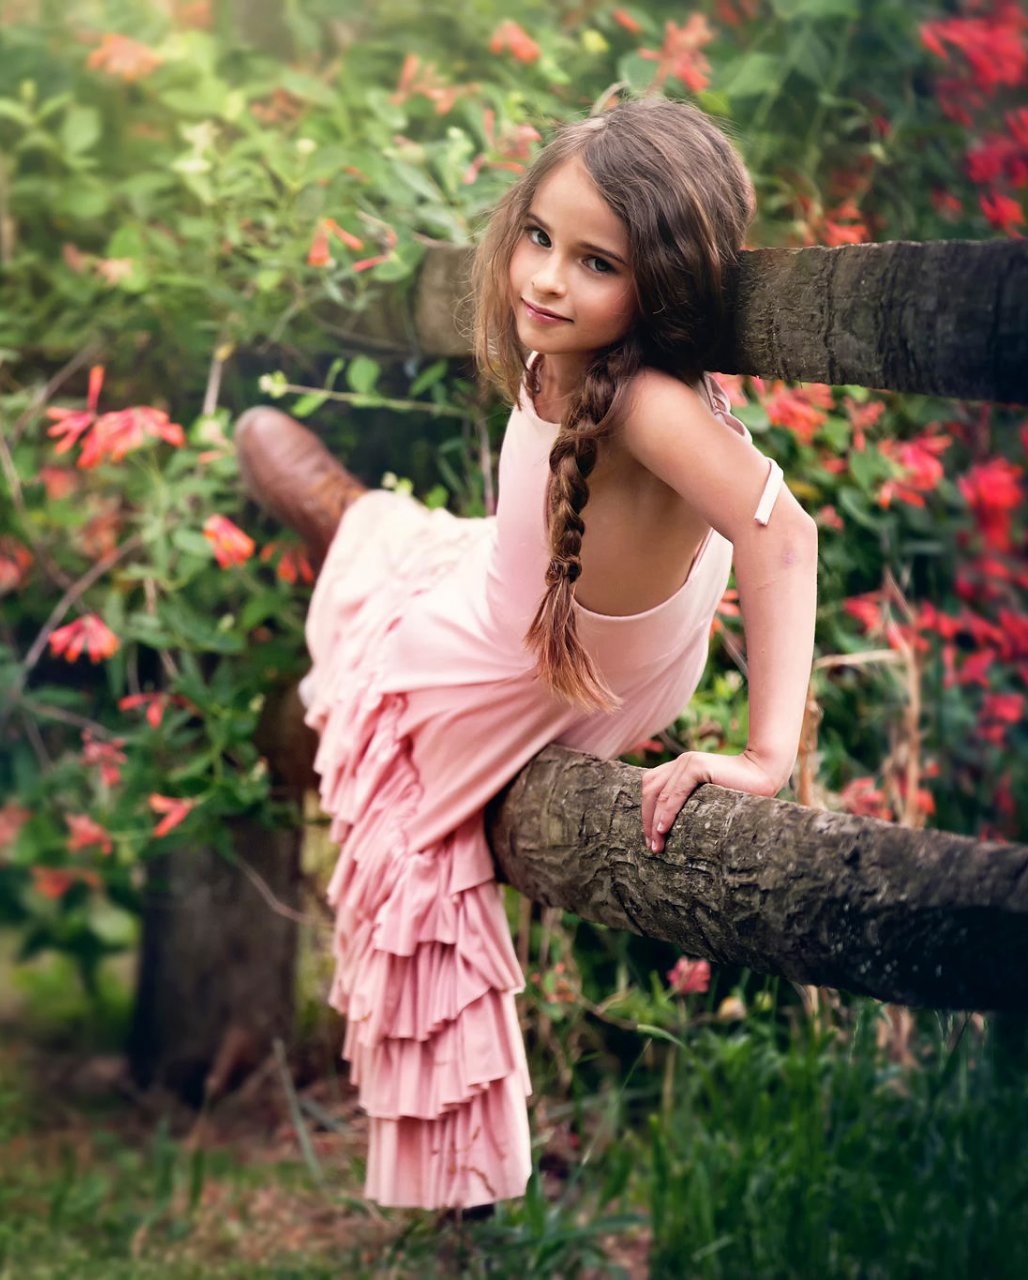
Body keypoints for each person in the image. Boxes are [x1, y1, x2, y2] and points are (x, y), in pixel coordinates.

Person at [233, 93, 819, 1216]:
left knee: (385, 737)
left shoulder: (644, 401)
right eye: (539, 237)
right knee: (441, 561)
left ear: (666, 282)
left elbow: (783, 533)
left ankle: (350, 528)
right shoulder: (581, 357)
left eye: (594, 261)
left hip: (533, 671)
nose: (546, 278)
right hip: (542, 615)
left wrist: (765, 754)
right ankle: (364, 525)